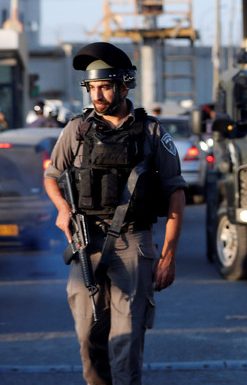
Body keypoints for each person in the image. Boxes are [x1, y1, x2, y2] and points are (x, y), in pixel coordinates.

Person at [42, 41, 186, 385]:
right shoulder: (77, 130)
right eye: (92, 87)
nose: (97, 95)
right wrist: (62, 209)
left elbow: (176, 192)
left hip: (133, 240)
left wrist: (168, 256)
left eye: (105, 87)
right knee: (88, 334)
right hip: (86, 240)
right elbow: (51, 175)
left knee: (127, 338)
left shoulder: (152, 132)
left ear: (124, 86)